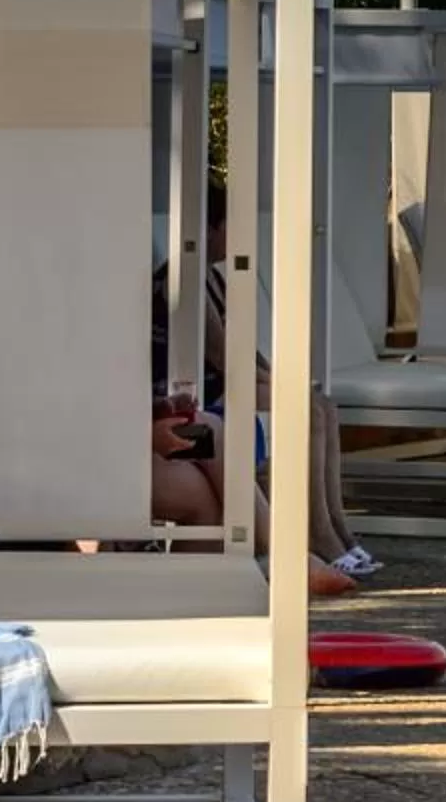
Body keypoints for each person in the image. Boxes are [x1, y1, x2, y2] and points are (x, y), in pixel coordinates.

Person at [155, 185, 381, 583]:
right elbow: (225, 358)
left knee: (321, 405)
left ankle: (337, 531)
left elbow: (244, 353)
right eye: (231, 226)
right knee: (304, 410)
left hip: (212, 390)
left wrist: (283, 380)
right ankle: (316, 538)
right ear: (209, 228)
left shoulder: (211, 277)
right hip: (196, 393)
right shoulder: (183, 278)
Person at [151, 396, 355, 598]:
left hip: (136, 450)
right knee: (211, 489)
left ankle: (189, 600)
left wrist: (159, 407)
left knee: (212, 473)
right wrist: (147, 434)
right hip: (123, 462)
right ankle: (281, 549)